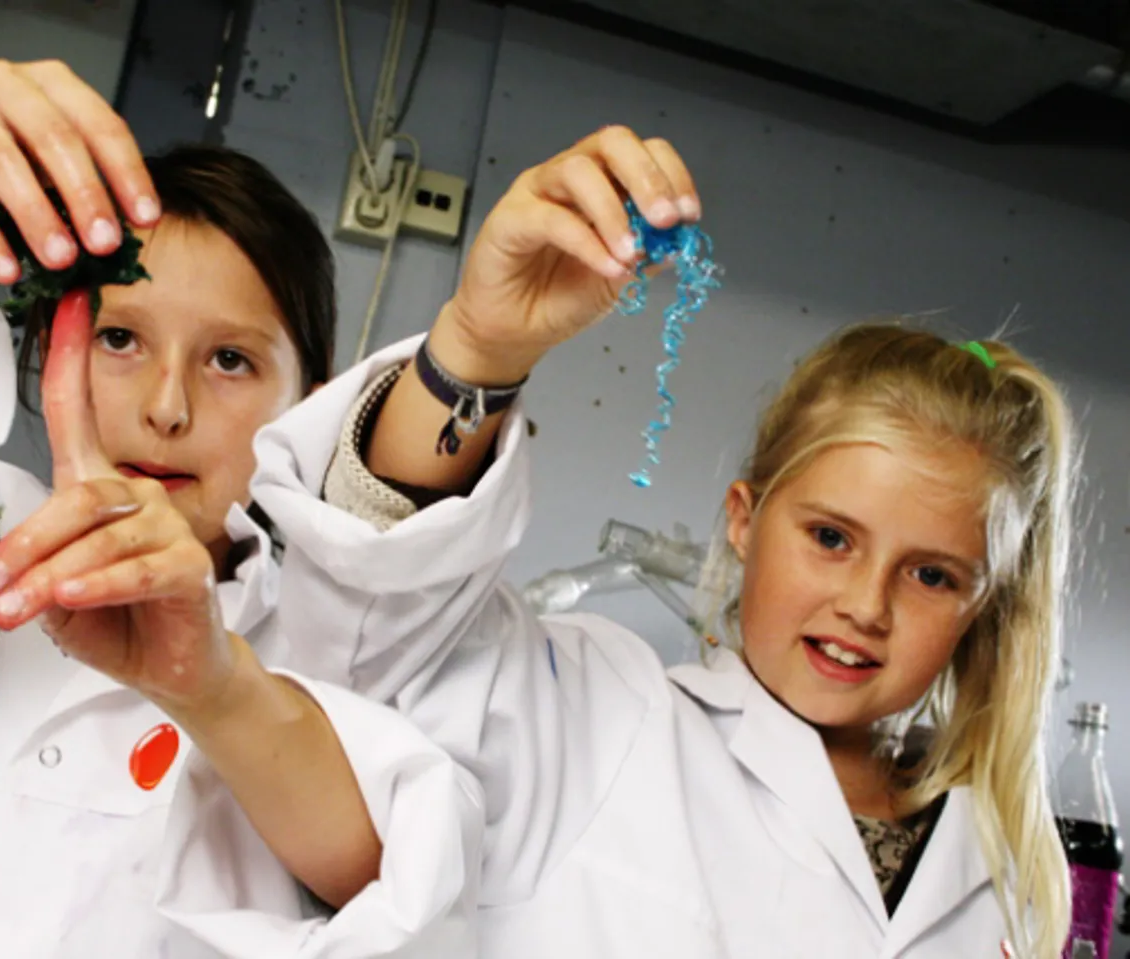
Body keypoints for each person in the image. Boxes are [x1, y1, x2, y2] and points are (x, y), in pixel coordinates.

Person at [246, 126, 1078, 957]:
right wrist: (476, 348)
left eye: (932, 575)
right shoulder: (596, 717)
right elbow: (378, 636)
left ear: (985, 603)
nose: (866, 605)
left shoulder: (1006, 861)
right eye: (831, 537)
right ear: (744, 520)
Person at [0, 60, 479, 957]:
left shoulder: (326, 641)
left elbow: (411, 888)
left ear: (309, 408)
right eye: (121, 338)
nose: (167, 408)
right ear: (51, 347)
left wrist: (214, 687)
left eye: (230, 360)